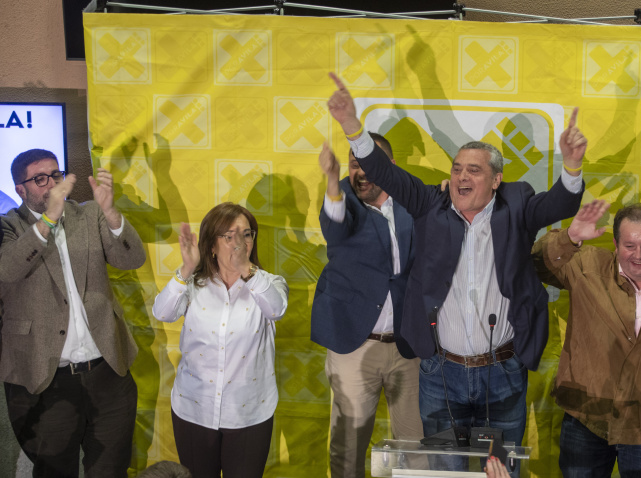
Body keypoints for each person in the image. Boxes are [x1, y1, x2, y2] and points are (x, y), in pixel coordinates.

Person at [326, 72, 586, 448]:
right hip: (439, 372)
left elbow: (560, 203)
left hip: (503, 370)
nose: (462, 176)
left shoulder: (516, 206)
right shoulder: (430, 204)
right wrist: (351, 125)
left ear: (496, 180)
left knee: (501, 468)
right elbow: (387, 174)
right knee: (444, 470)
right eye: (457, 169)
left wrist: (573, 166)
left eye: (474, 170)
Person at [0, 148, 146, 477]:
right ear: (20, 190)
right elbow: (6, 270)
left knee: (110, 469)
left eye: (56, 174)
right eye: (40, 179)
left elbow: (131, 258)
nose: (52, 184)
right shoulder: (9, 226)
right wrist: (48, 219)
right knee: (54, 471)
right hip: (46, 377)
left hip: (107, 371)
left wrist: (110, 212)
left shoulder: (89, 214)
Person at [531, 199, 641, 477]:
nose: (638, 255)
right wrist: (570, 237)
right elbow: (538, 263)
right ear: (615, 245)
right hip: (585, 421)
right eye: (629, 246)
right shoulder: (586, 265)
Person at [312, 134, 423, 478]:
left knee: (416, 448)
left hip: (409, 348)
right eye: (354, 164)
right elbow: (335, 225)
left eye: (366, 164)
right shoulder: (341, 197)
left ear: (389, 167)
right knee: (348, 450)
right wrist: (332, 180)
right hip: (355, 346)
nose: (358, 172)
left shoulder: (411, 198)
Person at [151, 203, 288, 478]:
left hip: (248, 414)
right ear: (211, 246)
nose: (239, 242)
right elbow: (162, 312)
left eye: (246, 234)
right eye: (229, 235)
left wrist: (246, 270)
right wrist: (186, 269)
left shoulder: (269, 283)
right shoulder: (193, 285)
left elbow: (276, 309)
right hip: (194, 410)